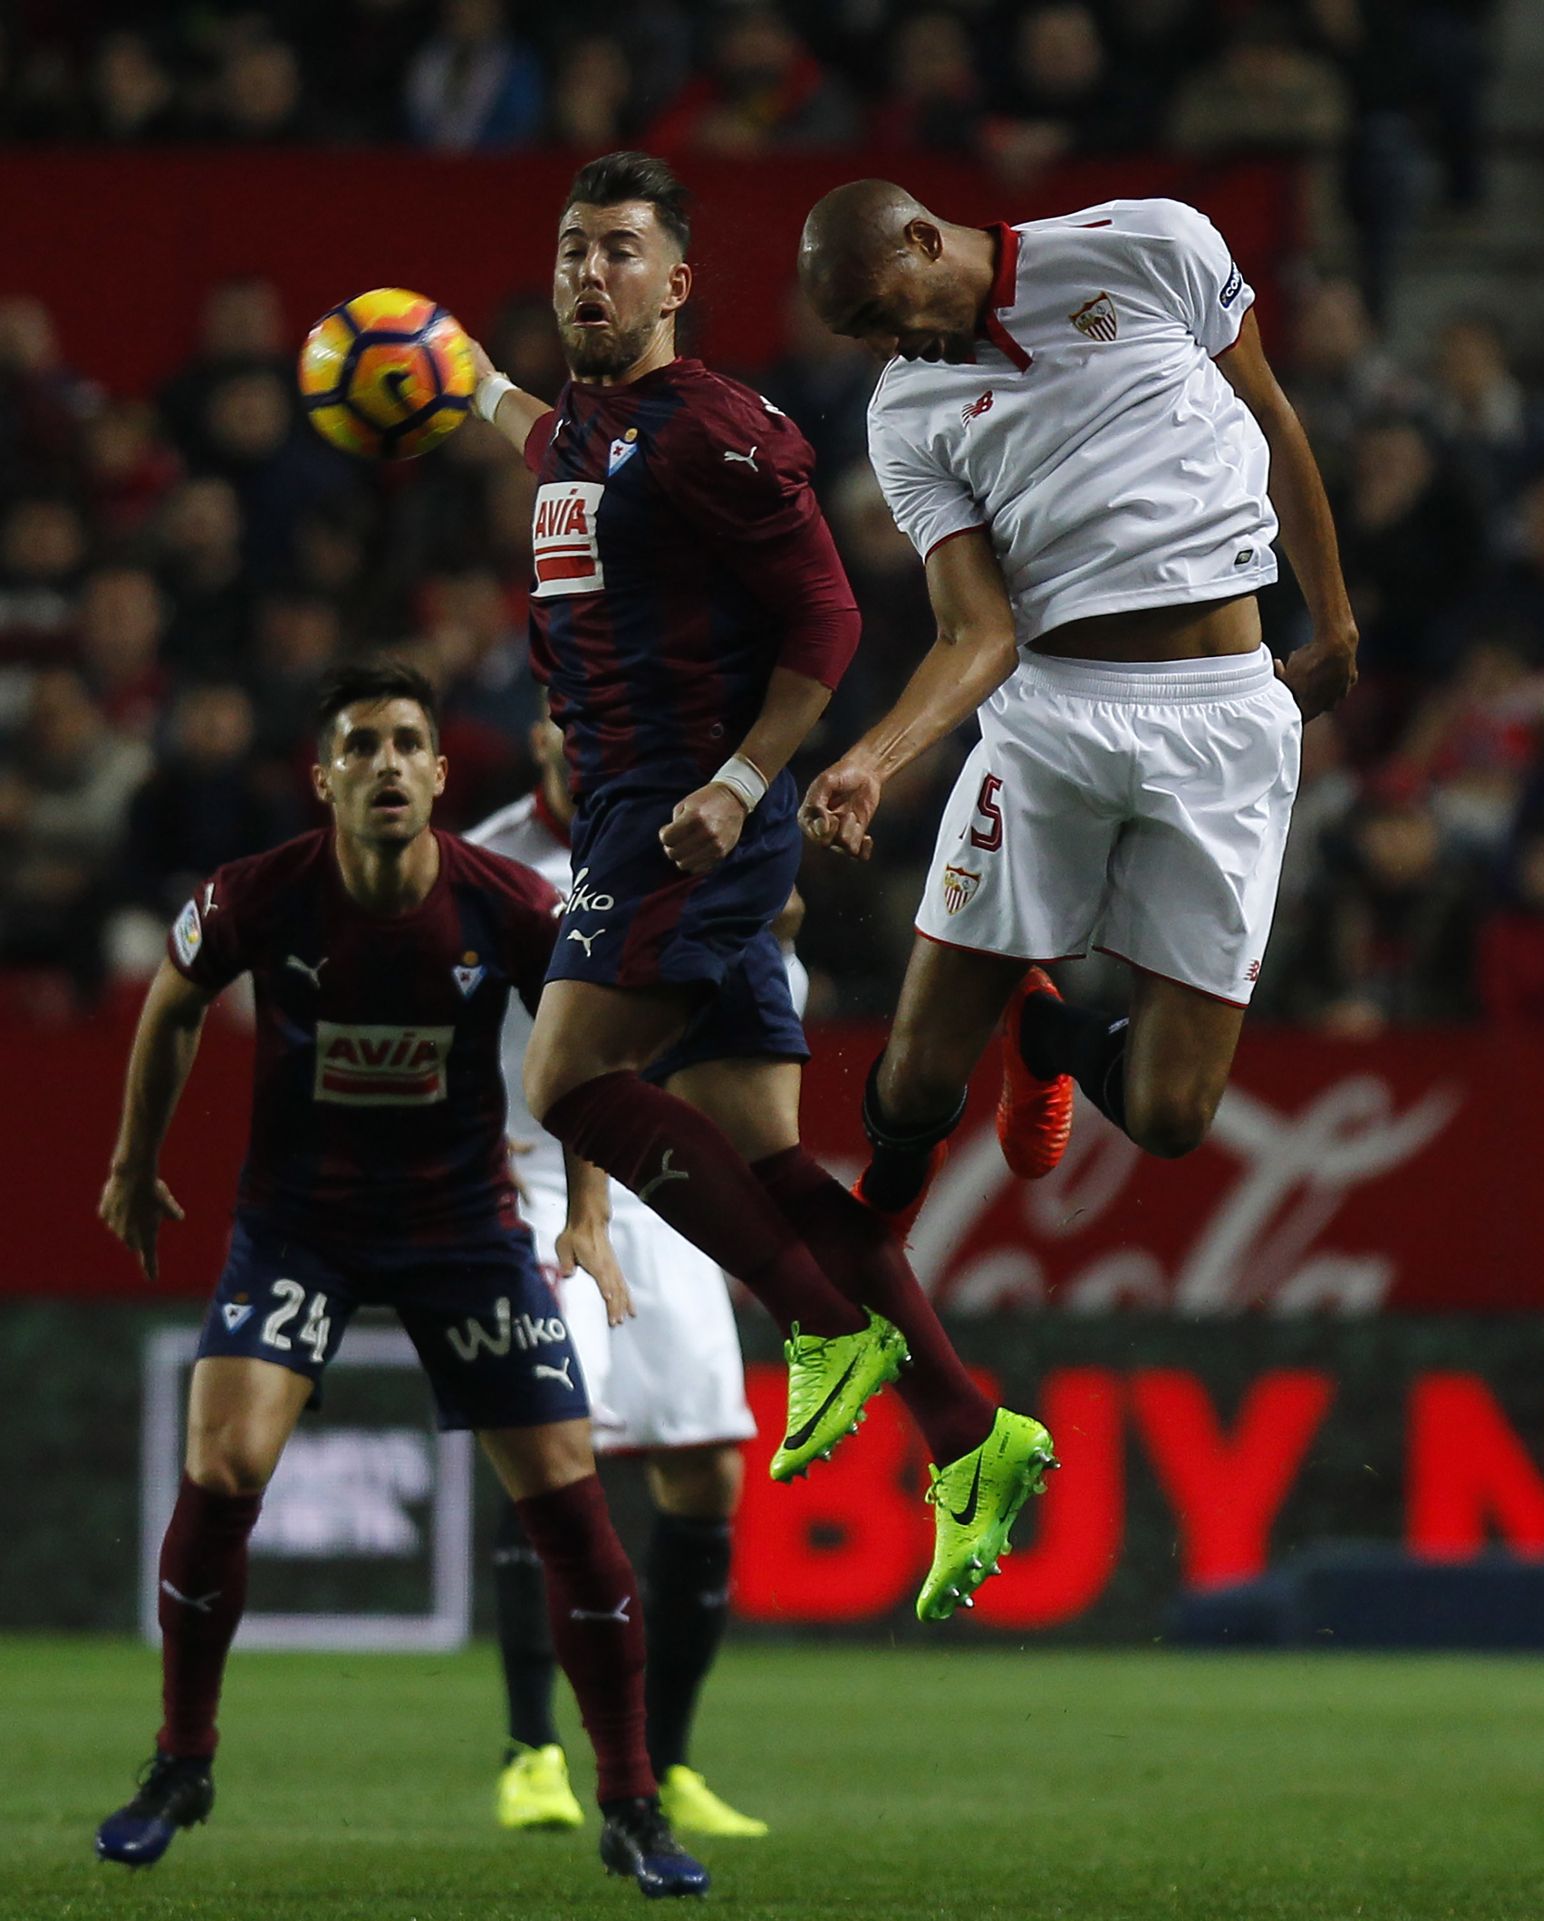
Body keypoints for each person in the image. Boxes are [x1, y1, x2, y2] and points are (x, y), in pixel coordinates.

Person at [467, 149, 1053, 1623]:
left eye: (619, 249)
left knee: (567, 1080)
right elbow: (554, 445)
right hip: (643, 809)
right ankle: (970, 1431)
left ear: (677, 282)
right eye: (572, 248)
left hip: (680, 813)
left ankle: (816, 1325)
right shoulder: (585, 432)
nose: (588, 270)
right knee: (775, 1166)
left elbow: (830, 618)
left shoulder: (715, 430)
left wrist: (737, 786)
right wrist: (463, 382)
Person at [92, 660, 707, 1900]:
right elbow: (171, 1004)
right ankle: (182, 1761)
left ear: (437, 773)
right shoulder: (255, 894)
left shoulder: (511, 903)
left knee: (569, 1495)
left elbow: (585, 1054)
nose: (387, 762)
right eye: (362, 744)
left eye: (408, 743)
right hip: (300, 1229)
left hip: (460, 1230)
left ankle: (631, 1801)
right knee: (224, 1465)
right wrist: (131, 1162)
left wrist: (589, 1211)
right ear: (324, 777)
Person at [794, 180, 1358, 1225]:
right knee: (915, 1080)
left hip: (1225, 715)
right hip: (1052, 719)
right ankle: (866, 1242)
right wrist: (874, 758)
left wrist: (1334, 620)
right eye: (855, 333)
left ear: (923, 240)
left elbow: (1271, 413)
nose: (881, 346)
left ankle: (1045, 1034)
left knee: (1170, 1114)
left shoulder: (1152, 241)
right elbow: (979, 632)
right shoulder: (905, 414)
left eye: (879, 312)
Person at [468, 717, 774, 1838]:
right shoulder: (487, 861)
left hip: (654, 1179)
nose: (575, 730)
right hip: (532, 1177)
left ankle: (672, 1759)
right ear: (540, 725)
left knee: (707, 1470)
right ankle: (533, 1751)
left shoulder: (686, 841)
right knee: (553, 1449)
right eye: (559, 709)